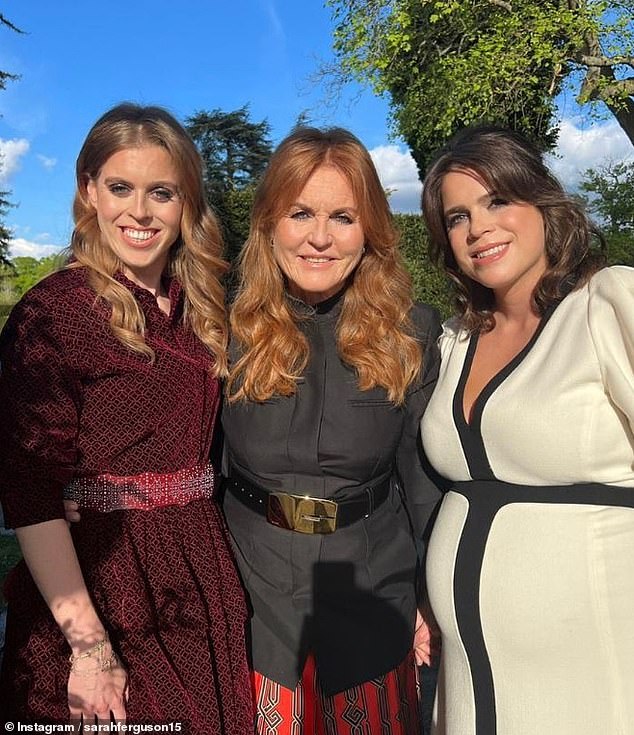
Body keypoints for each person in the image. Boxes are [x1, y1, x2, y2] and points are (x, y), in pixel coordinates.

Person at [0, 103, 253, 733]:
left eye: (160, 192)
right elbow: (29, 492)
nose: (139, 211)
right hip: (101, 576)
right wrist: (88, 648)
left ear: (186, 202)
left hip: (198, 565)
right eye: (120, 188)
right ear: (88, 192)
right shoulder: (55, 312)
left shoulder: (202, 311)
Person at [221, 126, 442, 734]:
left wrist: (432, 595)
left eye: (343, 216)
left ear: (369, 228)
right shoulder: (220, 330)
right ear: (269, 223)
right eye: (300, 213)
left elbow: (423, 482)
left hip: (373, 586)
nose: (320, 237)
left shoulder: (412, 331)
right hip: (250, 592)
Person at [419, 125, 634, 735]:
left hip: (590, 669)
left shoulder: (607, 306)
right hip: (466, 683)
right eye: (457, 216)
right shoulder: (457, 340)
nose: (478, 228)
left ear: (542, 202)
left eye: (497, 201)